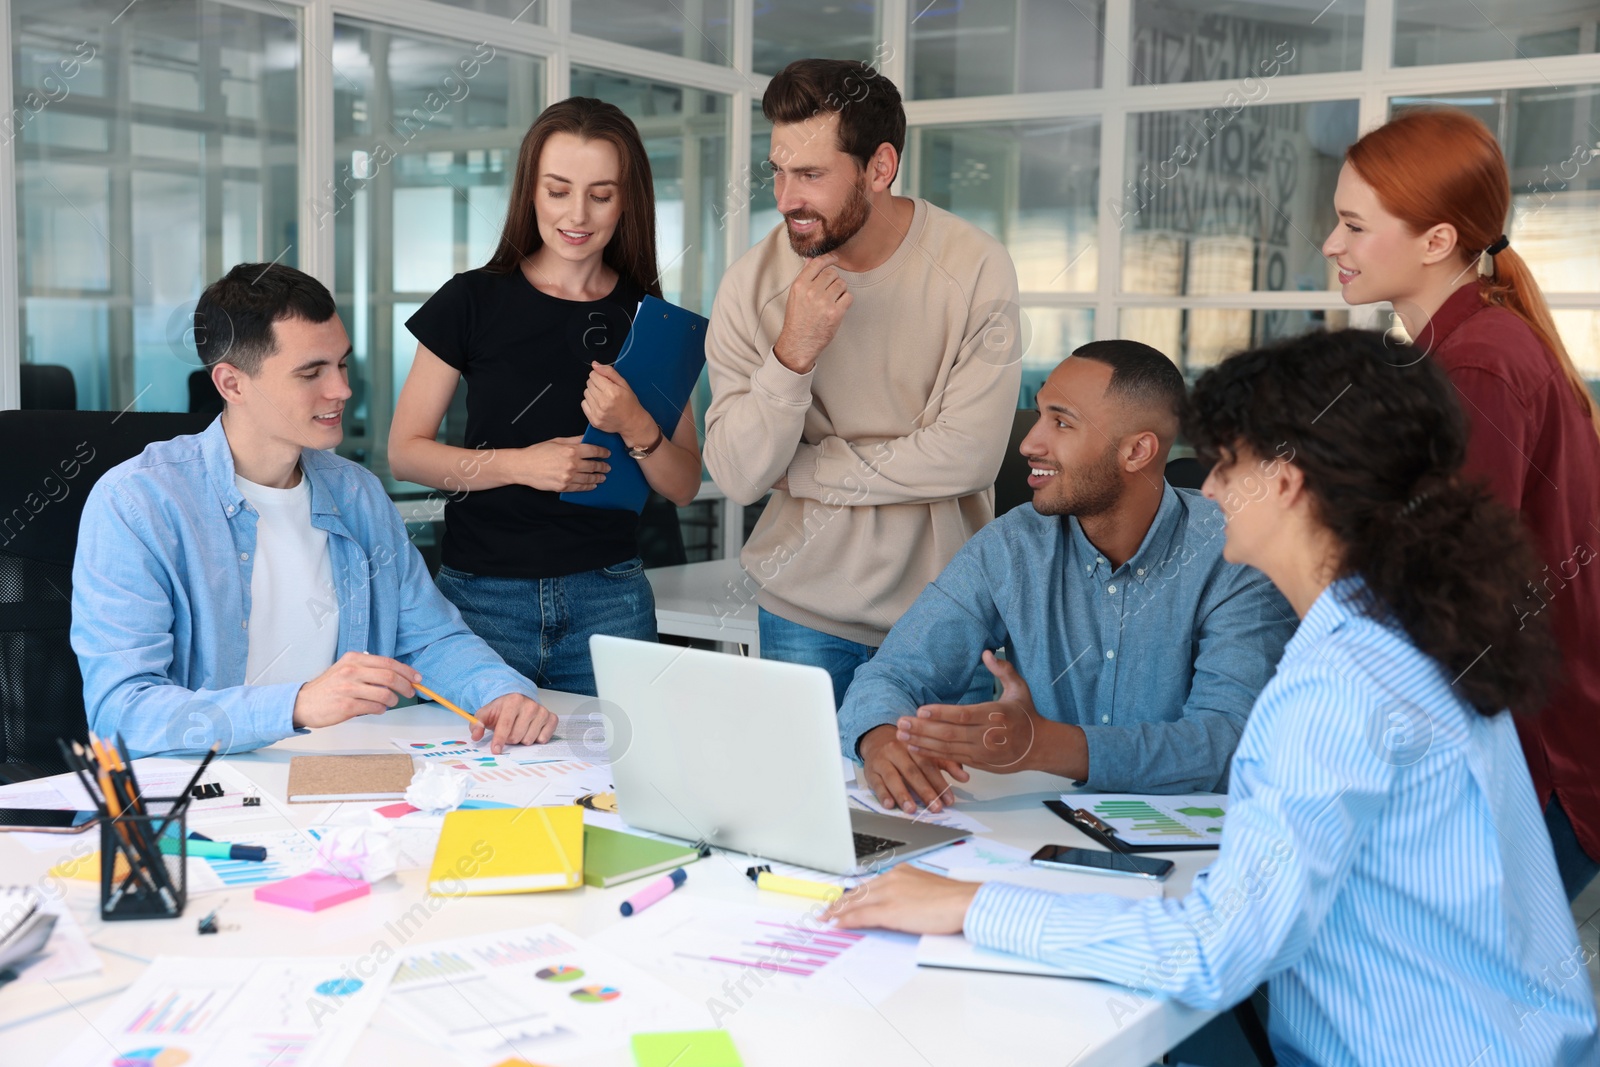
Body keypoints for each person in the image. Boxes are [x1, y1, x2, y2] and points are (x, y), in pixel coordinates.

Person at [827, 329, 1599, 1066]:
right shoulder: (1406, 632)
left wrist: (969, 904)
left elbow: (1212, 950)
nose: (1213, 490)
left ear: (1287, 484)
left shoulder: (1337, 689)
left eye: (1225, 464)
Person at [72, 264, 556, 759]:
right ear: (232, 384)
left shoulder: (358, 495)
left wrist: (499, 691)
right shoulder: (138, 503)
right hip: (206, 790)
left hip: (344, 774)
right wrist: (298, 704)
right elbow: (122, 713)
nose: (342, 390)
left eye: (342, 365)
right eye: (312, 372)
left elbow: (430, 641)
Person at [1325, 107, 1600, 901]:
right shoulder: (1476, 342)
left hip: (1531, 759)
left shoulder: (1477, 365)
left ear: (1438, 240)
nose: (1331, 245)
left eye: (1352, 224)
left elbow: (1450, 587)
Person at [840, 341, 1295, 813]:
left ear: (1137, 451)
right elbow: (895, 673)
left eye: (1061, 422)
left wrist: (1045, 746)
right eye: (1039, 415)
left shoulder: (1232, 550)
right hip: (1042, 834)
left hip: (1196, 844)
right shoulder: (1013, 544)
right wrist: (880, 738)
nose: (1029, 444)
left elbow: (1227, 741)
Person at [702, 58, 1023, 710]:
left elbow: (967, 455)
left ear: (879, 167)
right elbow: (737, 473)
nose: (788, 197)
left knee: (940, 814)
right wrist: (792, 355)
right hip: (803, 616)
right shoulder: (751, 284)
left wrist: (805, 470)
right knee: (807, 811)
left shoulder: (973, 266)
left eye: (812, 175)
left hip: (946, 617)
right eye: (778, 172)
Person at [390, 98, 701, 697]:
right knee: (475, 782)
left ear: (627, 199)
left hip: (610, 598)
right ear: (529, 192)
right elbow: (405, 453)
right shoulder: (470, 301)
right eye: (558, 191)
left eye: (601, 194)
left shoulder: (649, 320)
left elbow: (684, 484)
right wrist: (522, 465)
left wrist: (636, 423)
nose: (577, 214)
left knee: (617, 785)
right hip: (481, 598)